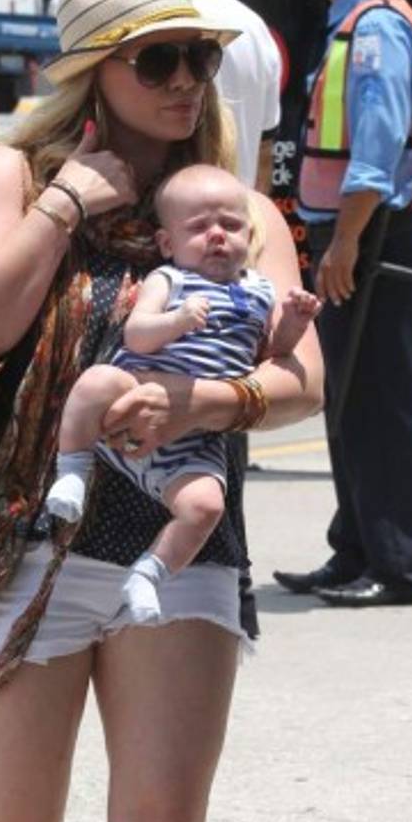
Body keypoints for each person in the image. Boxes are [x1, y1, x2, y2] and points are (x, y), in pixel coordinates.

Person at [0, 0, 323, 822]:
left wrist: (201, 405)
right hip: (26, 545)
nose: (186, 81)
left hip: (179, 557)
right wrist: (66, 203)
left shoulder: (236, 211)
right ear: (92, 74)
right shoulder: (15, 176)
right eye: (157, 60)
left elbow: (304, 381)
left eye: (201, 58)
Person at [47, 164, 321, 623]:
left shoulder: (255, 289)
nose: (217, 235)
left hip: (196, 437)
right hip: (130, 397)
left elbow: (273, 353)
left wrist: (294, 321)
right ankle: (72, 469)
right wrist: (177, 320)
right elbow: (137, 336)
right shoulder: (170, 280)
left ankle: (149, 573)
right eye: (199, 228)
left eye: (231, 226)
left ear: (249, 235)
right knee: (95, 383)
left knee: (205, 505)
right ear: (168, 245)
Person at [273, 0, 412, 608]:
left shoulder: (375, 29)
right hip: (354, 234)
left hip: (373, 237)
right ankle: (356, 549)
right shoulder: (353, 22)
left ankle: (399, 566)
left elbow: (375, 154)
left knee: (382, 402)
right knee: (349, 398)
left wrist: (345, 242)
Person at [135, 0, 283, 193]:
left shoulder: (130, 23)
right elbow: (264, 152)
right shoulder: (253, 28)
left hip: (145, 225)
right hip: (237, 221)